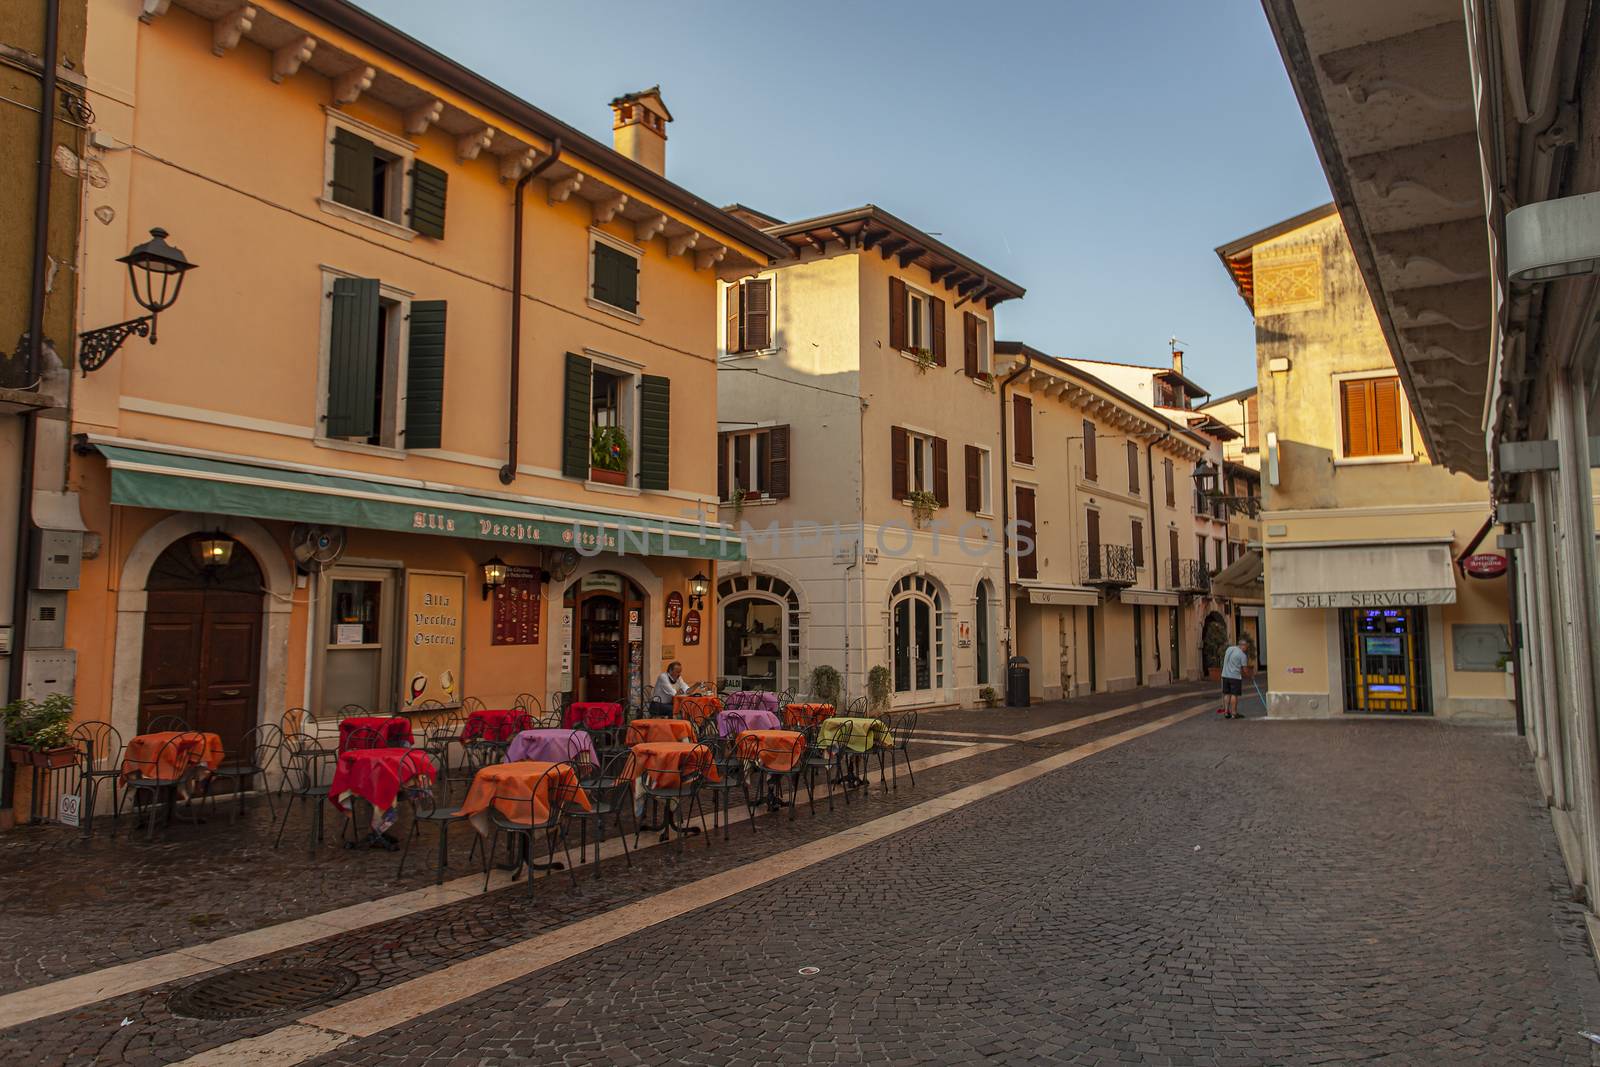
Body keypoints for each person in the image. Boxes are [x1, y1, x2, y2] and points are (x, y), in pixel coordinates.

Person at [1218, 636, 1252, 719]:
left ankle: (1226, 712)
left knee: (1227, 694)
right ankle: (1234, 713)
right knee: (1234, 694)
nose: (1246, 648)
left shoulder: (1229, 649)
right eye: (1246, 646)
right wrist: (1251, 676)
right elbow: (1245, 669)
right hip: (1235, 677)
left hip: (1225, 675)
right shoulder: (1242, 655)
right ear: (1242, 645)